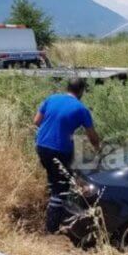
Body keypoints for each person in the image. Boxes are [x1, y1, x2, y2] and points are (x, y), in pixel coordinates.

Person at [34, 78, 100, 234]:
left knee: (54, 179)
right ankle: (51, 229)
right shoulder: (81, 109)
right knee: (61, 186)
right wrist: (98, 149)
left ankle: (51, 209)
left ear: (67, 87)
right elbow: (92, 136)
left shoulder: (51, 98)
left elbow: (36, 121)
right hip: (60, 149)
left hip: (41, 145)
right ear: (82, 91)